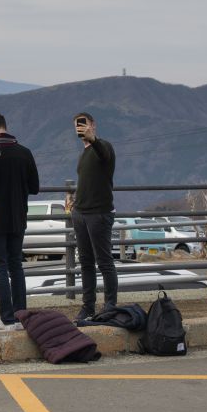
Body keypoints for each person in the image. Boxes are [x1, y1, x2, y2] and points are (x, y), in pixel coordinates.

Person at [0, 111, 39, 331]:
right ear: (4, 126)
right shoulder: (24, 153)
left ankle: (6, 318)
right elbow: (34, 187)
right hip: (18, 217)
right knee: (16, 265)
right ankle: (21, 316)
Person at [71, 112, 118, 322]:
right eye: (77, 126)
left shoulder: (104, 147)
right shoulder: (83, 154)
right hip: (80, 214)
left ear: (93, 125)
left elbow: (104, 155)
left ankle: (110, 306)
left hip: (99, 214)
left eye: (84, 124)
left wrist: (94, 139)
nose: (80, 128)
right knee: (86, 263)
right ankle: (88, 307)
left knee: (104, 261)